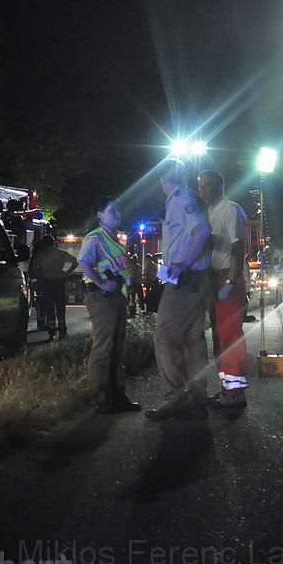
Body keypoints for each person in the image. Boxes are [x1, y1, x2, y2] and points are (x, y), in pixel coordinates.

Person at [145, 160, 213, 421]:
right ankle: (198, 399)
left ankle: (175, 398)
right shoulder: (188, 197)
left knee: (163, 337)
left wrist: (183, 263)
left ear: (163, 179)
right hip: (196, 280)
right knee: (193, 339)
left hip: (184, 281)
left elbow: (202, 230)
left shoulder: (178, 198)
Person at [77, 197, 140, 414]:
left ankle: (117, 396)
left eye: (118, 210)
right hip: (101, 298)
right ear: (100, 215)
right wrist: (101, 282)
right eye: (112, 211)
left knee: (117, 348)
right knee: (104, 349)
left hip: (115, 297)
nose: (117, 214)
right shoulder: (95, 237)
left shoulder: (113, 238)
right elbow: (83, 262)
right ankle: (101, 399)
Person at [197, 169, 248, 410]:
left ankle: (236, 393)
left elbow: (239, 248)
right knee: (219, 336)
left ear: (220, 186)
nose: (202, 190)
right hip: (214, 279)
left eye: (207, 185)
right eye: (200, 186)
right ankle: (226, 389)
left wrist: (230, 281)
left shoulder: (230, 209)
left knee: (230, 336)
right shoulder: (210, 212)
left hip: (227, 278)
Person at [28, 234, 79, 339]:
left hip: (47, 282)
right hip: (59, 282)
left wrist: (41, 274)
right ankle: (62, 329)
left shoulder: (41, 255)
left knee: (49, 308)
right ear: (53, 243)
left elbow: (34, 267)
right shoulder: (60, 254)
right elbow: (75, 261)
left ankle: (51, 331)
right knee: (60, 307)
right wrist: (66, 272)